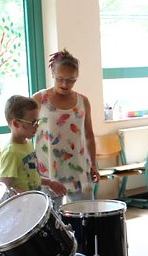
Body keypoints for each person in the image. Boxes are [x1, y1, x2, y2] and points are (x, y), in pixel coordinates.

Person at [32, 49, 99, 202]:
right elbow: (27, 130)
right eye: (60, 78)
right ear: (52, 74)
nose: (65, 84)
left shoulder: (83, 101)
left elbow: (88, 135)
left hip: (78, 167)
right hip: (48, 169)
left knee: (84, 214)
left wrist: (93, 164)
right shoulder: (39, 99)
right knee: (50, 218)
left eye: (71, 80)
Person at [0, 95, 66, 197]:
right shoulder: (11, 152)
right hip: (22, 208)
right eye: (33, 122)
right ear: (16, 124)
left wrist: (50, 183)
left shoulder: (28, 144)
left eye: (37, 121)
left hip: (32, 202)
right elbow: (5, 187)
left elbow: (32, 176)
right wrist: (26, 197)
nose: (37, 126)